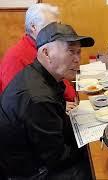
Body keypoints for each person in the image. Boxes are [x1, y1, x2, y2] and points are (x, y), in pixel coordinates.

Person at [0, 22, 94, 179]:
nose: (78, 59)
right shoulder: (38, 98)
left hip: (38, 156)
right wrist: (91, 143)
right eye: (71, 52)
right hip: (32, 172)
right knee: (98, 165)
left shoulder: (39, 74)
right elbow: (57, 158)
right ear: (46, 53)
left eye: (79, 52)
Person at [0, 3, 77, 111]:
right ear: (33, 27)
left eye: (58, 25)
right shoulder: (16, 57)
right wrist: (60, 106)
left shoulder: (49, 47)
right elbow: (18, 103)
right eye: (51, 27)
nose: (58, 31)